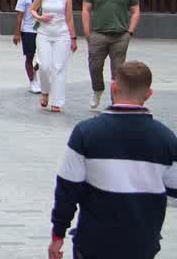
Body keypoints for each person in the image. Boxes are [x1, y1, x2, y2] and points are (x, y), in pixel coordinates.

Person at [48, 61, 177, 259]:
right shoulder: (166, 139)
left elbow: (67, 188)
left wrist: (58, 234)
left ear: (113, 87)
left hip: (93, 242)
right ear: (149, 94)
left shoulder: (85, 133)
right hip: (141, 244)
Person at [81, 0, 140, 110]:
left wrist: (130, 32)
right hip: (98, 34)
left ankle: (116, 100)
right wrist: (87, 32)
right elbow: (86, 9)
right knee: (94, 66)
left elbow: (135, 11)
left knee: (118, 70)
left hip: (120, 36)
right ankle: (97, 89)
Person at [31, 0, 77, 112]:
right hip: (44, 34)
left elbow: (69, 19)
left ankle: (57, 101)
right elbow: (32, 9)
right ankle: (45, 91)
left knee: (58, 68)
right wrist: (39, 17)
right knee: (45, 66)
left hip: (62, 35)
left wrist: (73, 38)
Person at [13, 0, 44, 95]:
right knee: (29, 57)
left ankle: (35, 70)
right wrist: (17, 33)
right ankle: (32, 82)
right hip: (28, 31)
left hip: (42, 30)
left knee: (44, 59)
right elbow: (19, 17)